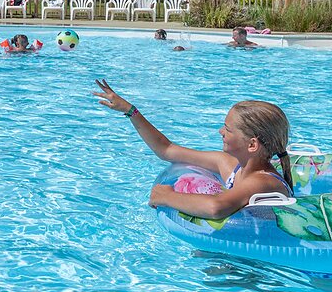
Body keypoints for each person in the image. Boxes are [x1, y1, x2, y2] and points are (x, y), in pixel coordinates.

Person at [91, 78, 293, 220]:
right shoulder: (230, 166)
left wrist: (166, 196)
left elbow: (217, 207)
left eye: (228, 129)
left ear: (252, 145)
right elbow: (166, 150)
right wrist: (130, 111)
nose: (220, 131)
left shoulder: (262, 181)